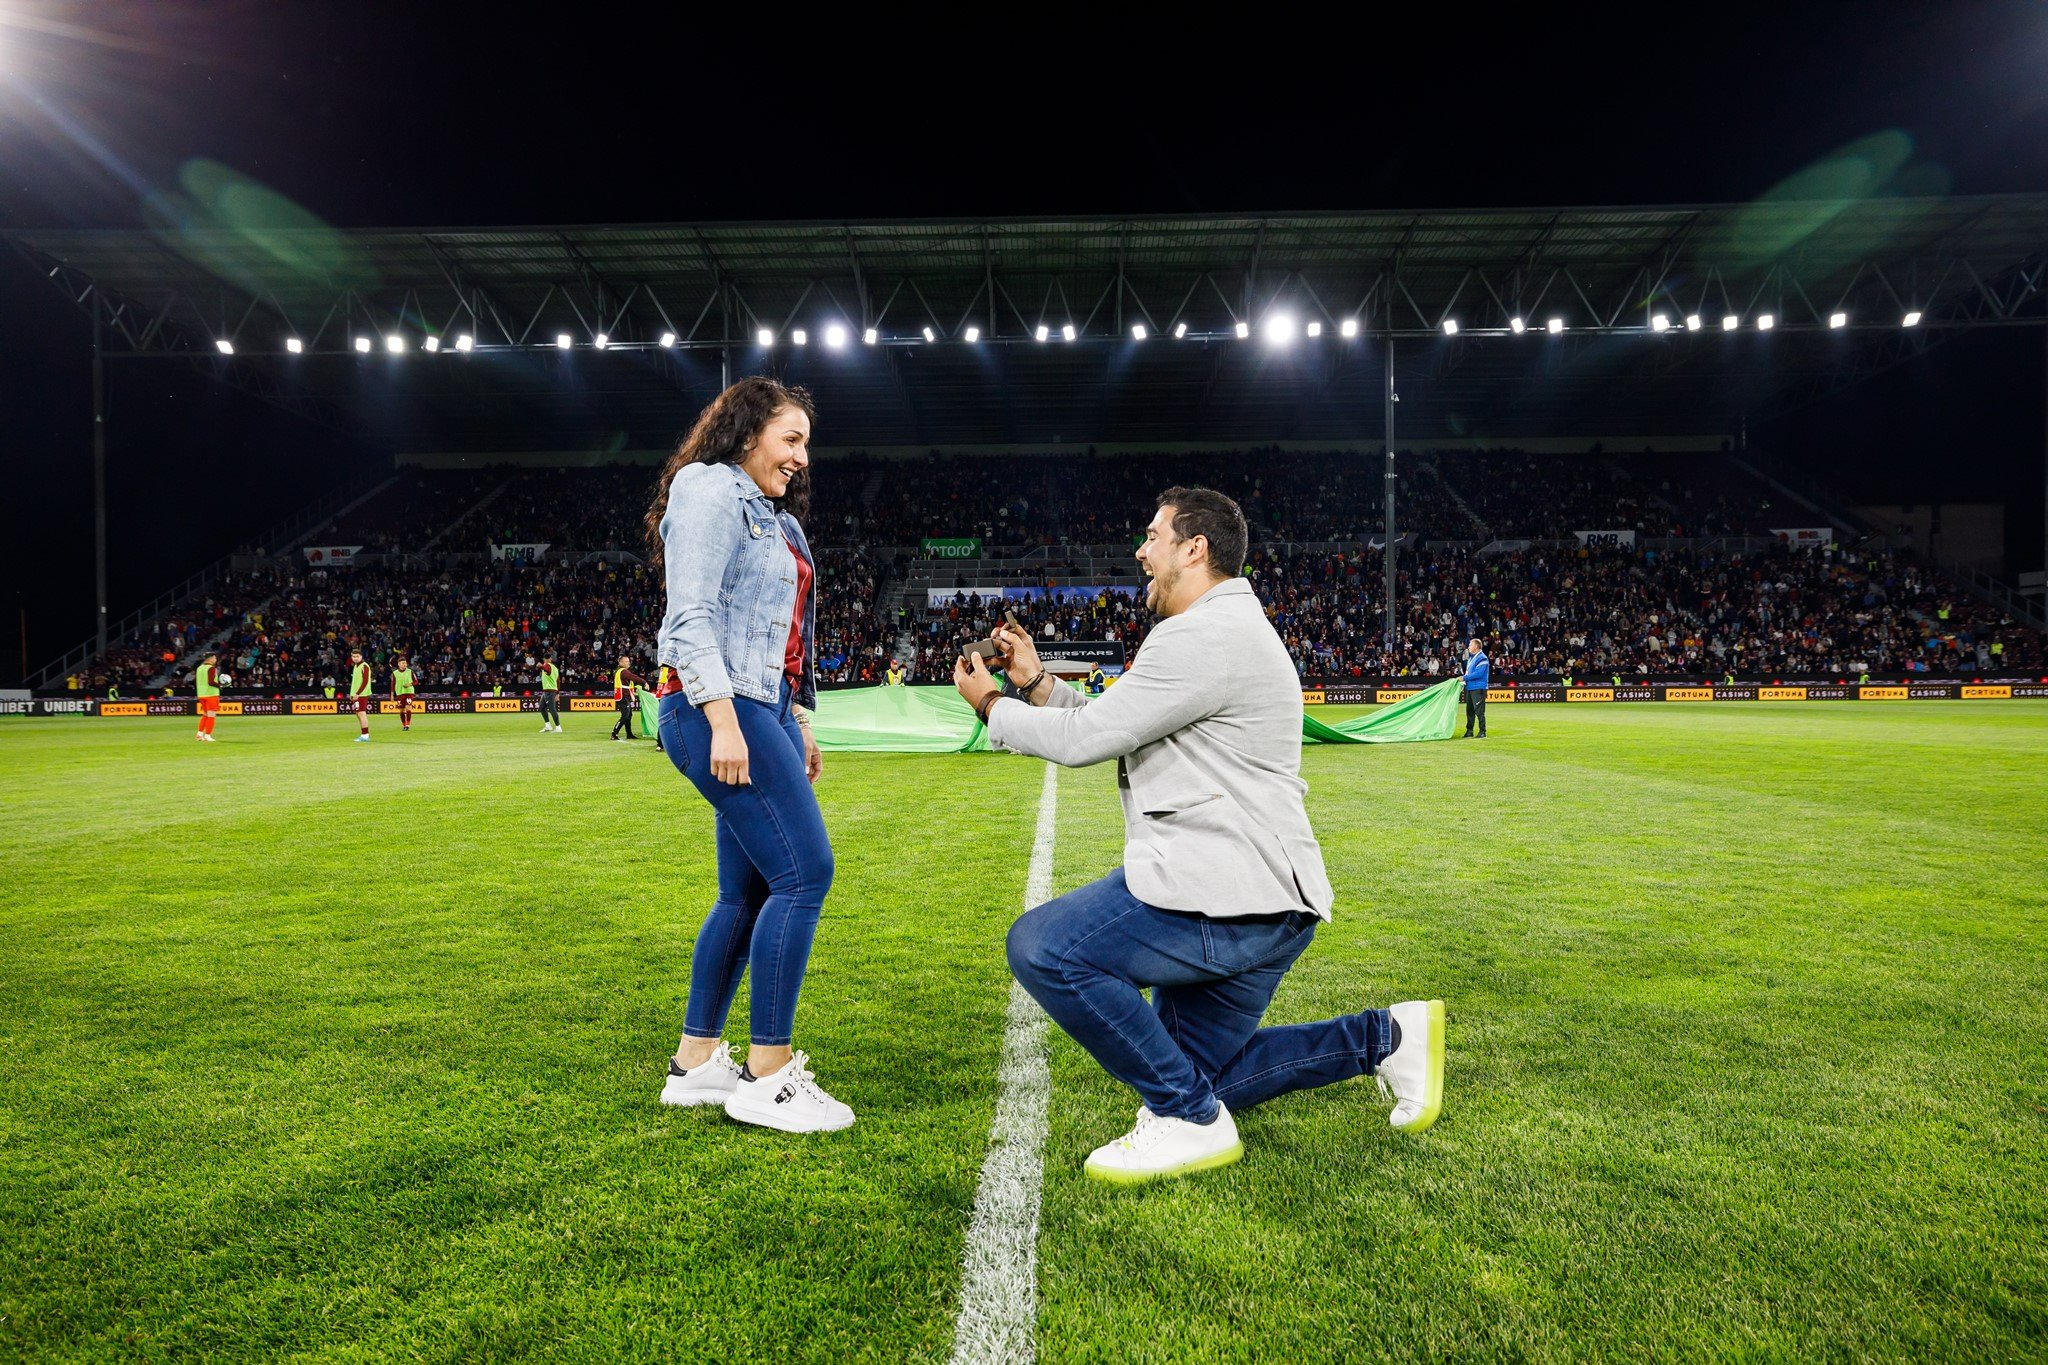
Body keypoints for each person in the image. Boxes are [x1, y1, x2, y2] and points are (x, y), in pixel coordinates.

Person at [956, 486, 1444, 1184]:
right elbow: (1122, 722)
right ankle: (1387, 1038)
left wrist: (991, 705)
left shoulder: (1201, 635)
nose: (1140, 551)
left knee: (1044, 947)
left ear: (1195, 548)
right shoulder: (1227, 628)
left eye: (1153, 536)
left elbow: (1087, 737)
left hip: (1226, 894)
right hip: (1267, 900)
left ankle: (1189, 1121)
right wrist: (1035, 684)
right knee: (1195, 1074)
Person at [647, 377, 846, 1132]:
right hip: (716, 707)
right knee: (805, 872)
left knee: (750, 892)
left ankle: (696, 1062)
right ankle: (769, 1073)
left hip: (761, 707)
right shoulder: (708, 486)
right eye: (790, 439)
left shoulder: (776, 518)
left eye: (806, 444)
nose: (802, 457)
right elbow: (690, 615)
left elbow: (780, 641)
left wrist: (796, 720)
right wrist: (725, 722)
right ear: (747, 431)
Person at [611, 655, 650, 741]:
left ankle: (629, 734)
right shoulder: (623, 671)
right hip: (623, 696)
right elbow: (633, 677)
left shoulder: (619, 671)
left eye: (629, 661)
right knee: (625, 716)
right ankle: (614, 733)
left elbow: (629, 681)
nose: (628, 663)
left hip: (622, 696)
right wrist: (644, 682)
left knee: (628, 715)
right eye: (626, 661)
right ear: (620, 662)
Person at [193, 652, 225, 742]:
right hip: (211, 694)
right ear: (210, 658)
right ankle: (208, 735)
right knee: (211, 715)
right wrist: (220, 685)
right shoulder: (211, 668)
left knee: (205, 714)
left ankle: (199, 735)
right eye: (215, 658)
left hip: (201, 694)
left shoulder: (199, 668)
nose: (215, 659)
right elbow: (210, 682)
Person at [1462, 638, 1490, 738]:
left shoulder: (1482, 658)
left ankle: (1482, 731)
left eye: (1470, 645)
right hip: (1470, 687)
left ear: (1476, 646)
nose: (1468, 647)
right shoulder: (1471, 658)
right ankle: (1469, 731)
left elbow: (1478, 673)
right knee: (1469, 711)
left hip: (1478, 687)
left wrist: (1464, 678)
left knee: (1479, 711)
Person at [347, 650, 373, 742]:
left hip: (362, 694)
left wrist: (357, 693)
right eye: (353, 656)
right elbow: (355, 682)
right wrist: (352, 694)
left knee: (361, 713)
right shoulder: (355, 666)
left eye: (357, 656)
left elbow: (365, 681)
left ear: (361, 656)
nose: (355, 658)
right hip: (356, 694)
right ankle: (364, 734)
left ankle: (365, 735)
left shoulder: (364, 666)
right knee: (358, 714)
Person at [390, 655, 416, 733]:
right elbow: (393, 684)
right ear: (399, 664)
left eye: (405, 663)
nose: (405, 664)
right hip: (399, 693)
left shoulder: (410, 671)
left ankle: (407, 725)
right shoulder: (395, 673)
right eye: (403, 663)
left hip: (409, 692)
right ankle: (404, 725)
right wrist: (392, 695)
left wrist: (410, 684)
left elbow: (416, 681)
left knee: (408, 707)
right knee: (401, 710)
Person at [538, 655, 562, 733]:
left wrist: (541, 666)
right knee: (542, 707)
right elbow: (558, 681)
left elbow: (547, 670)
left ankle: (558, 727)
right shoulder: (555, 668)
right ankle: (548, 726)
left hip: (549, 691)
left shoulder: (546, 665)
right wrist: (558, 693)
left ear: (544, 659)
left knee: (552, 709)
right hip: (548, 691)